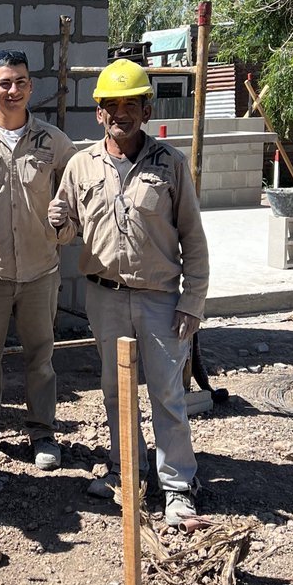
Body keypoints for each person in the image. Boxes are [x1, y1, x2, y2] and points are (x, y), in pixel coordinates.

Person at [48, 59, 209, 527]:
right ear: (99, 113)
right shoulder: (81, 166)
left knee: (165, 393)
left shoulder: (171, 165)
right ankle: (128, 476)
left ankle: (178, 489)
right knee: (115, 392)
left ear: (146, 107)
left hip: (160, 299)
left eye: (131, 104)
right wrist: (57, 224)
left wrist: (192, 303)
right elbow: (67, 230)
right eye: (112, 105)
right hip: (104, 297)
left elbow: (194, 241)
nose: (122, 113)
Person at [0, 49, 77, 472]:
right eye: (5, 83)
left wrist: (66, 226)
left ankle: (42, 431)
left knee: (40, 358)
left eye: (21, 82)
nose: (13, 90)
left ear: (31, 87)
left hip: (39, 271)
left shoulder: (53, 142)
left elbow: (78, 192)